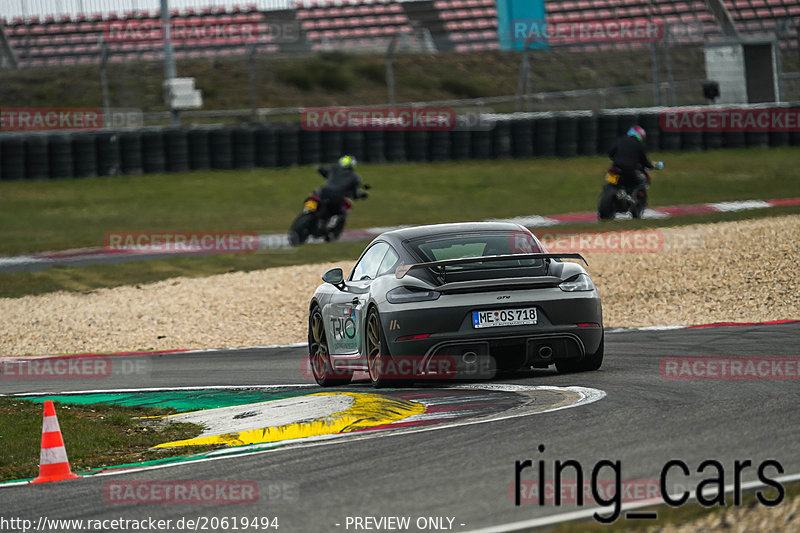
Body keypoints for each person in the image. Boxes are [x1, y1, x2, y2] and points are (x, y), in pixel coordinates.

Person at [608, 126, 663, 195]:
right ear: (640, 135)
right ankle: (633, 197)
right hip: (629, 170)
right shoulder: (639, 144)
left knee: (611, 180)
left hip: (615, 167)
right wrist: (651, 166)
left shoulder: (620, 140)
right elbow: (644, 161)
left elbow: (610, 153)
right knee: (642, 181)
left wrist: (617, 159)